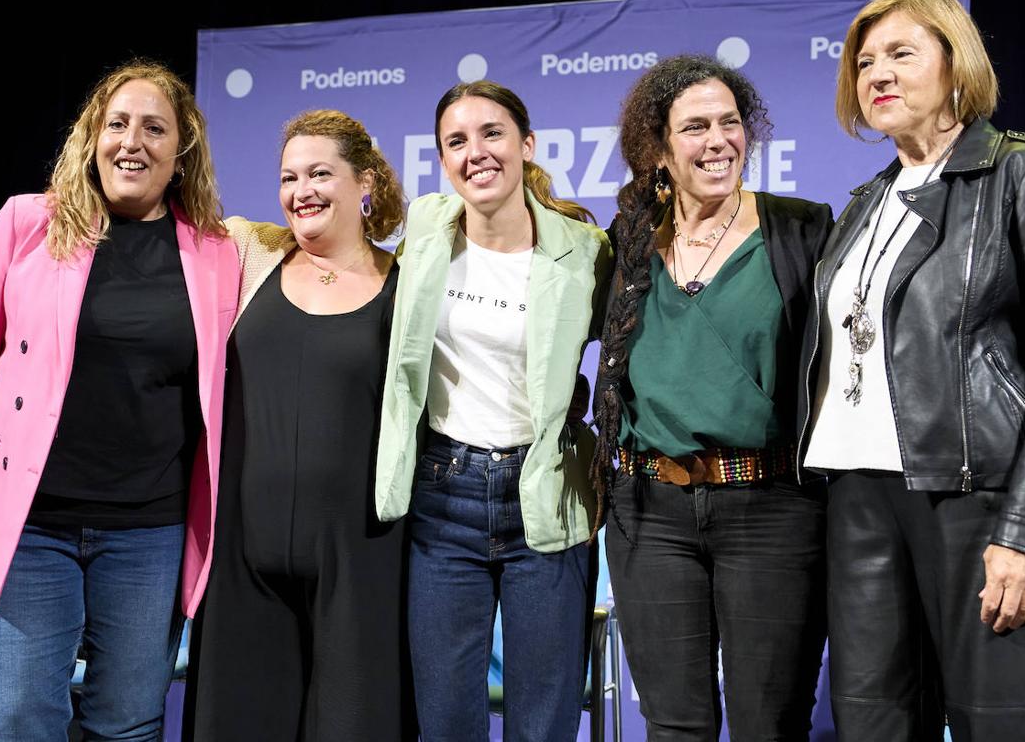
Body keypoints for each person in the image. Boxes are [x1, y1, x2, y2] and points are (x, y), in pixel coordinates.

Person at [801, 0, 1025, 741]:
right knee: (873, 728)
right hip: (858, 501)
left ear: (956, 66)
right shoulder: (864, 202)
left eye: (901, 54)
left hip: (975, 501)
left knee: (1008, 727)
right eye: (865, 62)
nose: (878, 75)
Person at [0, 60, 239, 741]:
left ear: (180, 151)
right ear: (91, 137)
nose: (133, 141)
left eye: (155, 128)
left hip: (149, 531)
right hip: (29, 525)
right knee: (19, 719)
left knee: (126, 726)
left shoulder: (217, 252)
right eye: (117, 123)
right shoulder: (27, 224)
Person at [591, 54, 832, 741]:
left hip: (772, 510)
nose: (718, 140)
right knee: (674, 726)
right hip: (649, 511)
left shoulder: (802, 231)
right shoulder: (629, 243)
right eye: (695, 127)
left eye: (731, 123)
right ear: (659, 150)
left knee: (770, 722)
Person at [375, 80, 612, 741]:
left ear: (527, 144)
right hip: (442, 496)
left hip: (547, 494)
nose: (475, 152)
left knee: (544, 722)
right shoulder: (424, 229)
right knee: (447, 722)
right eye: (456, 141)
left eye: (492, 134)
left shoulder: (584, 251)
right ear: (442, 160)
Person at [185, 110, 413, 741]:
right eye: (289, 177)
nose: (301, 190)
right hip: (240, 552)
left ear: (365, 183)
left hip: (361, 555)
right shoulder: (247, 253)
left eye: (320, 173)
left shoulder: (411, 283)